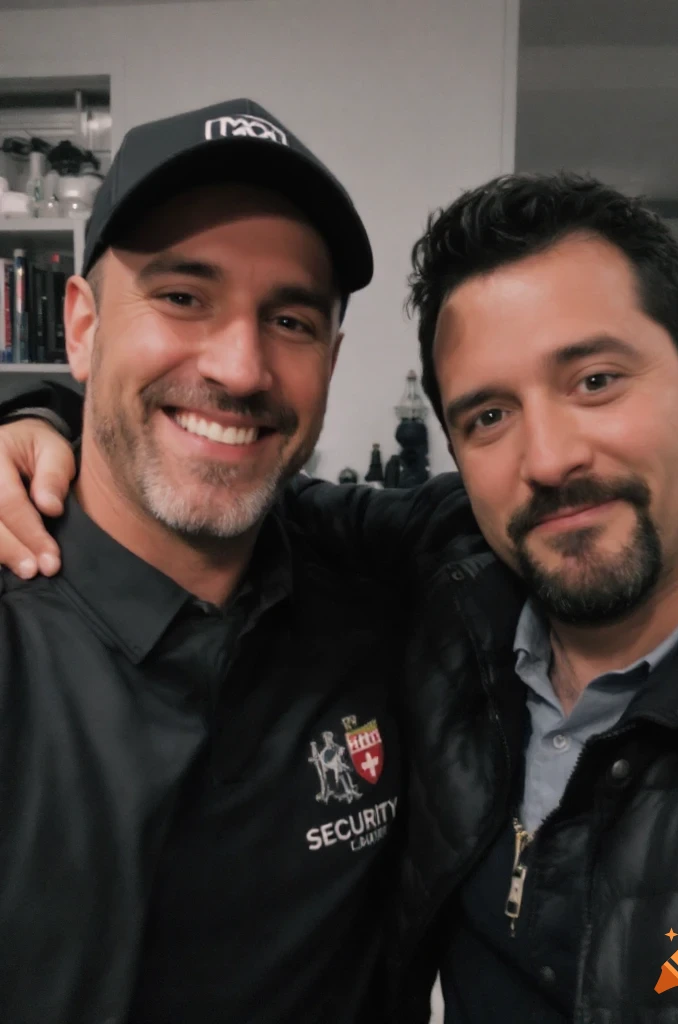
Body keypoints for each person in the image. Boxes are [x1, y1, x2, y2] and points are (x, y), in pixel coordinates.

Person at [4, 177, 678, 1023]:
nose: (548, 459)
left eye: (595, 381)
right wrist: (36, 412)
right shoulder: (450, 589)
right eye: (487, 416)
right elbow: (208, 466)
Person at [0, 98, 405, 1024]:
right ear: (81, 326)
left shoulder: (387, 598)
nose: (241, 368)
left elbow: (549, 515)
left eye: (292, 321)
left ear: (333, 362)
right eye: (183, 297)